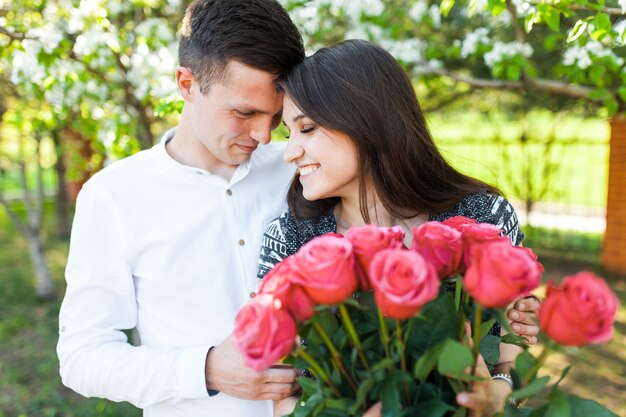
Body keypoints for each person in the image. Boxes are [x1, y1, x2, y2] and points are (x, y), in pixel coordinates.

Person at [257, 39, 541, 417]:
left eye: (306, 128)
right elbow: (283, 396)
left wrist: (495, 399)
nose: (290, 152)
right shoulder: (291, 239)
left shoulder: (483, 218)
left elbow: (510, 363)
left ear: (365, 120)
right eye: (288, 134)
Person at [57, 1, 306, 416]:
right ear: (187, 84)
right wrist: (204, 370)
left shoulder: (300, 169)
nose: (264, 135)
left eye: (276, 116)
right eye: (245, 113)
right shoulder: (113, 197)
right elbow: (82, 356)